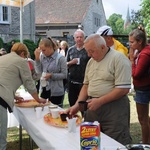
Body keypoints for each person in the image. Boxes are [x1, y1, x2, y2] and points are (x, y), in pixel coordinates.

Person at [66, 34, 131, 145]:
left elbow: (123, 89)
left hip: (114, 109)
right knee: (91, 143)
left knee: (115, 143)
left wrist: (100, 101)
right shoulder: (91, 62)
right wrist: (77, 105)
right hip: (93, 108)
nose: (89, 55)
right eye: (87, 51)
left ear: (102, 47)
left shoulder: (118, 59)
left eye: (91, 51)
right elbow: (86, 86)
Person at [0, 43, 46, 150]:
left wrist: (14, 96)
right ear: (22, 53)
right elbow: (29, 83)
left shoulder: (3, 58)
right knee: (1, 137)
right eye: (25, 56)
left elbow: (4, 79)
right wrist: (38, 99)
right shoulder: (21, 61)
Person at [129, 25, 150, 144]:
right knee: (146, 119)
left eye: (132, 42)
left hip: (143, 89)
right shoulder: (144, 50)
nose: (130, 44)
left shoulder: (145, 54)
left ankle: (145, 143)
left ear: (140, 41)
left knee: (143, 119)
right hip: (145, 87)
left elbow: (136, 74)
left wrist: (132, 60)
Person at [34, 37, 67, 107]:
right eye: (41, 50)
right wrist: (37, 60)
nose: (42, 52)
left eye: (44, 50)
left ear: (50, 47)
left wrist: (51, 75)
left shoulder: (60, 58)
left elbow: (64, 75)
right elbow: (39, 73)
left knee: (55, 112)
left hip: (56, 91)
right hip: (45, 88)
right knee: (42, 109)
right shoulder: (42, 57)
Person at [66, 29, 90, 106]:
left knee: (83, 105)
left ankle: (84, 118)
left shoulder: (88, 49)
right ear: (74, 39)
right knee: (72, 104)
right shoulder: (70, 50)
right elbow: (65, 64)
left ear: (84, 38)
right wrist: (71, 62)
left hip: (84, 82)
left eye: (81, 37)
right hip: (72, 82)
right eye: (77, 37)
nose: (79, 39)